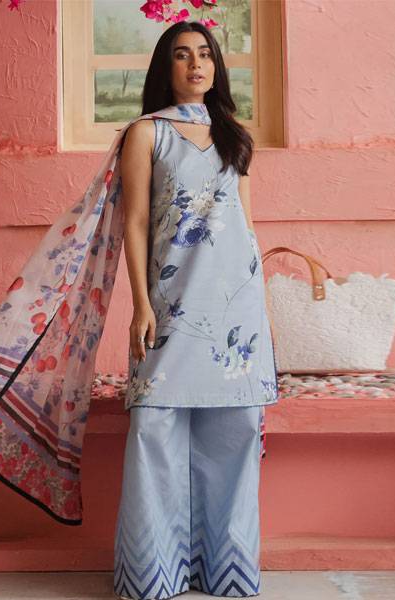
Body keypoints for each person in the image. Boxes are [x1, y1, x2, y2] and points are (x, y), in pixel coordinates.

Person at [113, 21, 278, 600]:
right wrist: (141, 304)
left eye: (205, 54)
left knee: (235, 430)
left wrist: (261, 314)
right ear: (166, 67)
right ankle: (152, 573)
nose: (196, 64)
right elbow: (135, 222)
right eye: (182, 55)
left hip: (236, 309)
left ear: (216, 66)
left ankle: (227, 571)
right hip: (172, 302)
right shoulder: (146, 133)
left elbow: (247, 226)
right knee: (154, 426)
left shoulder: (235, 135)